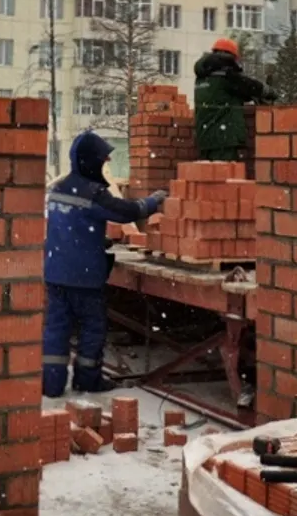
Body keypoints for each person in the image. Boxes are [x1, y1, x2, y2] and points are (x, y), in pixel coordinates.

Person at [43, 131, 167, 397]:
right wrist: (154, 202)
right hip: (84, 277)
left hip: (55, 273)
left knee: (56, 330)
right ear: (90, 162)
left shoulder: (58, 189)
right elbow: (126, 212)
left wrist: (97, 242)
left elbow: (69, 228)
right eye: (102, 161)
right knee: (92, 329)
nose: (103, 167)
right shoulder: (93, 193)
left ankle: (51, 385)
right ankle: (87, 381)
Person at [193, 37, 276, 161]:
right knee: (226, 177)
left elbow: (226, 94)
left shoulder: (202, 77)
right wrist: (270, 92)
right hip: (224, 139)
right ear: (230, 57)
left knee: (209, 176)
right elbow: (251, 87)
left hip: (204, 139)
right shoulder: (226, 76)